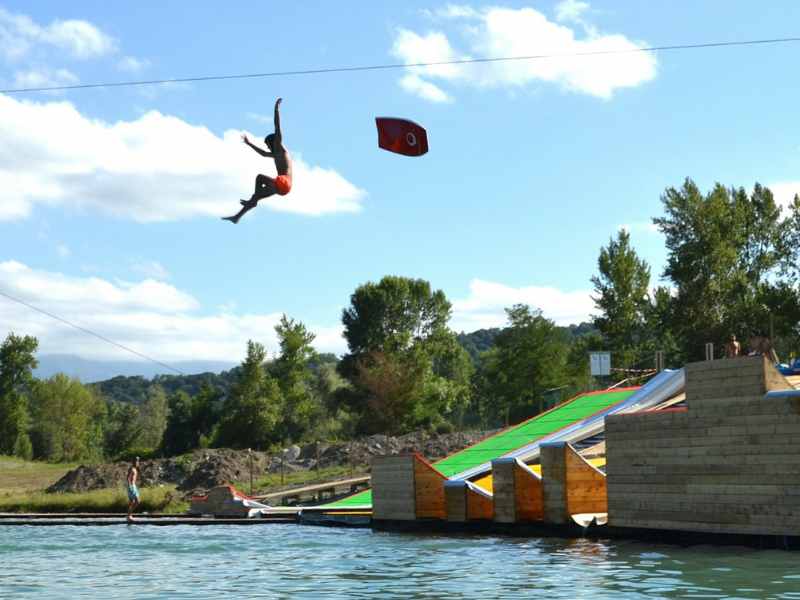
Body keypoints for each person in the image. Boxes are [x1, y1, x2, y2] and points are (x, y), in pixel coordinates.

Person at [223, 98, 292, 224]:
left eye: (268, 144)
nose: (267, 147)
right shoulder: (275, 154)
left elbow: (277, 126)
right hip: (283, 188)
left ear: (273, 142)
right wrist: (249, 144)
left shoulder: (279, 147)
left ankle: (253, 200)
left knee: (260, 178)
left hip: (284, 182)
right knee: (256, 196)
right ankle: (237, 217)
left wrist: (276, 109)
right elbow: (263, 154)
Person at [126, 457, 141, 522]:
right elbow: (128, 478)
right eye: (135, 461)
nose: (137, 463)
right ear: (133, 462)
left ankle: (129, 516)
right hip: (131, 486)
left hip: (133, 486)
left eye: (137, 461)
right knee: (137, 501)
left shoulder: (135, 469)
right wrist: (130, 486)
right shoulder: (131, 469)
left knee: (132, 502)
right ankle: (129, 516)